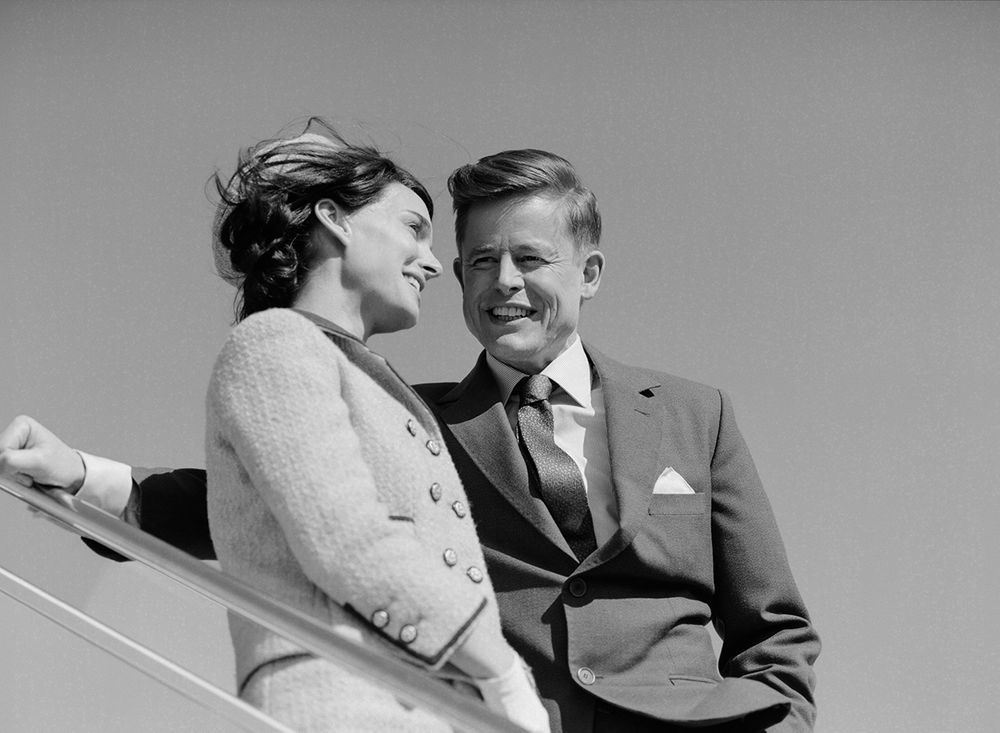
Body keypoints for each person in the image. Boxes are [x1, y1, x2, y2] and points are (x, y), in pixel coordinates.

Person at [1, 148, 820, 732]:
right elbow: (264, 498)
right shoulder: (414, 423)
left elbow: (774, 625)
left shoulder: (695, 413)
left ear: (590, 273)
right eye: (480, 261)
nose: (504, 282)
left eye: (531, 258)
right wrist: (81, 475)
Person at [0, 127, 549, 733]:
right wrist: (503, 673)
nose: (433, 263)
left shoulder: (362, 379)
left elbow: (269, 505)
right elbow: (345, 537)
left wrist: (84, 476)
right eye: (413, 228)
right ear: (334, 218)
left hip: (426, 707)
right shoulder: (277, 342)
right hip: (345, 703)